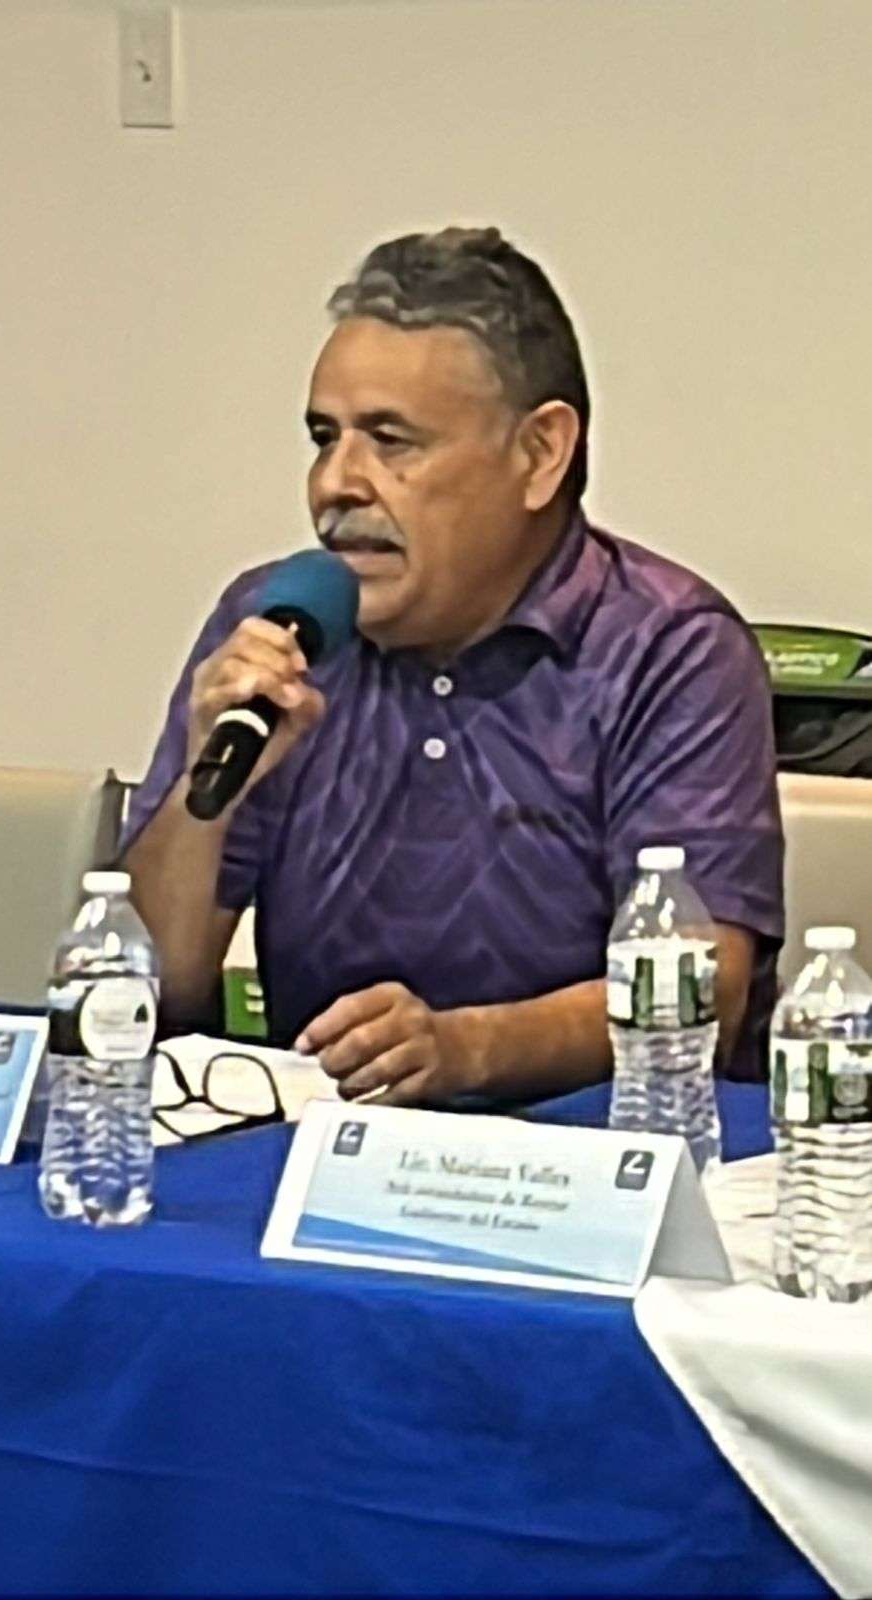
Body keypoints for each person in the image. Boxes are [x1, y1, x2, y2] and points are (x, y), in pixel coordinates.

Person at [123, 225, 783, 1105]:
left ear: (540, 454)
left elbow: (698, 991)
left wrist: (467, 1050)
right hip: (319, 1146)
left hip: (599, 1154)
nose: (335, 483)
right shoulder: (282, 628)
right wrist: (206, 797)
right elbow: (140, 993)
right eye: (324, 437)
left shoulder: (669, 648)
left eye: (391, 440)